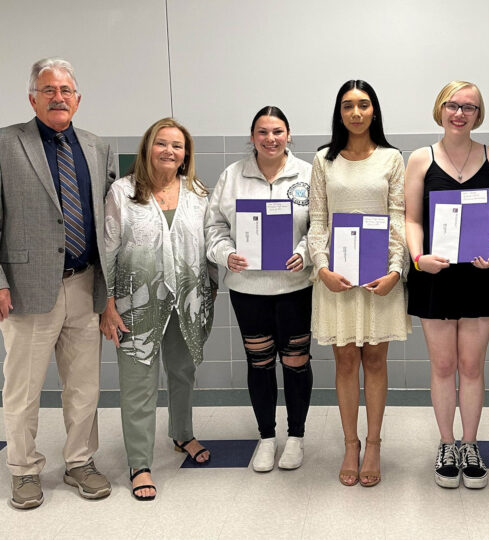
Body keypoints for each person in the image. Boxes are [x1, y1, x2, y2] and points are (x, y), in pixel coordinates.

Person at [0, 58, 115, 509]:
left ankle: (79, 462)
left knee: (84, 386)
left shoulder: (95, 146)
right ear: (32, 98)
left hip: (85, 284)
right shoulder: (7, 144)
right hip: (27, 288)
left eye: (66, 90)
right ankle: (24, 469)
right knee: (23, 388)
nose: (58, 97)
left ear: (78, 99)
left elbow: (108, 216)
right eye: (48, 91)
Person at [405, 81, 489, 489]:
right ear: (440, 109)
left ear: (478, 114)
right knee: (443, 365)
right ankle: (446, 443)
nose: (460, 113)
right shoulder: (420, 159)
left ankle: (470, 444)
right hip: (434, 273)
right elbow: (412, 220)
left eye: (469, 107)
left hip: (480, 272)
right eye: (453, 105)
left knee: (471, 366)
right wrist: (419, 258)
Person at [100, 118, 216, 501]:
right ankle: (140, 462)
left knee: (183, 371)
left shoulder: (198, 191)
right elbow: (108, 250)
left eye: (177, 146)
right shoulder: (123, 191)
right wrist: (108, 304)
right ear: (147, 147)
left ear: (186, 154)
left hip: (187, 300)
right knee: (138, 383)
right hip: (136, 302)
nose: (170, 151)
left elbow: (211, 241)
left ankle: (182, 434)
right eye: (162, 144)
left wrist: (212, 287)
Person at [308, 80, 409, 487]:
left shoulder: (391, 159)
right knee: (346, 361)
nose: (355, 112)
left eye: (363, 105)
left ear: (374, 111)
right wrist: (321, 268)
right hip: (337, 279)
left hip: (379, 278)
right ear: (339, 112)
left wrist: (396, 270)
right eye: (348, 105)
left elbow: (398, 217)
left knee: (376, 361)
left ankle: (374, 445)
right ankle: (350, 444)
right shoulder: (323, 160)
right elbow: (318, 221)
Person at [205, 106, 313, 472]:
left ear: (288, 135)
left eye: (277, 131)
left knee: (296, 360)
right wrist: (226, 253)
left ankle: (295, 437)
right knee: (260, 360)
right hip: (248, 288)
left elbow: (321, 226)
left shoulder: (308, 175)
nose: (270, 139)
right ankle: (267, 437)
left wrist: (304, 252)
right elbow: (214, 228)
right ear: (252, 137)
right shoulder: (232, 176)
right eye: (263, 132)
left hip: (295, 285)